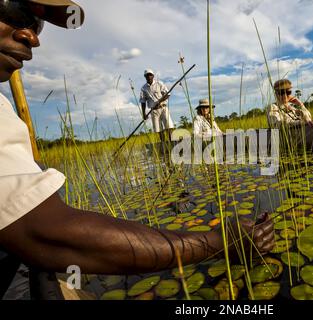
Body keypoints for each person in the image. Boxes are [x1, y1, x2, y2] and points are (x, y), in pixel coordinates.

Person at [0, 0, 275, 297]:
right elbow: (45, 231)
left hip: (163, 111)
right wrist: (220, 242)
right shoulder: (146, 91)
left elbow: (165, 100)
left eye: (36, 24)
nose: (32, 37)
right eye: (15, 11)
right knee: (161, 135)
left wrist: (163, 100)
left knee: (168, 133)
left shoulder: (160, 85)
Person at [140, 68, 175, 157]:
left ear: (153, 76)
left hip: (163, 107)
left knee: (169, 126)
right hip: (154, 111)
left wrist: (160, 101)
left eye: (150, 75)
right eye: (147, 75)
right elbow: (143, 101)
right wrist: (144, 113)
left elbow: (167, 94)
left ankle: (171, 143)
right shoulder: (143, 88)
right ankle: (163, 144)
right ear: (145, 77)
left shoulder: (160, 84)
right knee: (159, 129)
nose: (149, 76)